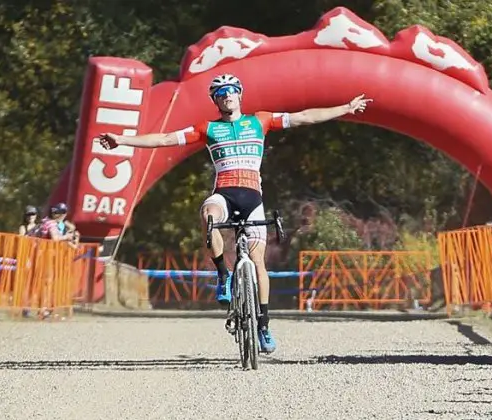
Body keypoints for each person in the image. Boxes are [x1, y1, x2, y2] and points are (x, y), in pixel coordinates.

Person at [97, 73, 372, 354]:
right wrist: (121, 139)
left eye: (231, 90)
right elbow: (165, 138)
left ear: (240, 94)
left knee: (257, 263)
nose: (227, 95)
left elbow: (304, 117)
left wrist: (345, 108)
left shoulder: (260, 121)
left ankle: (263, 325)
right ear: (215, 100)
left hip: (252, 197)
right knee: (209, 213)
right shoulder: (209, 128)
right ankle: (223, 275)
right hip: (224, 194)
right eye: (221, 92)